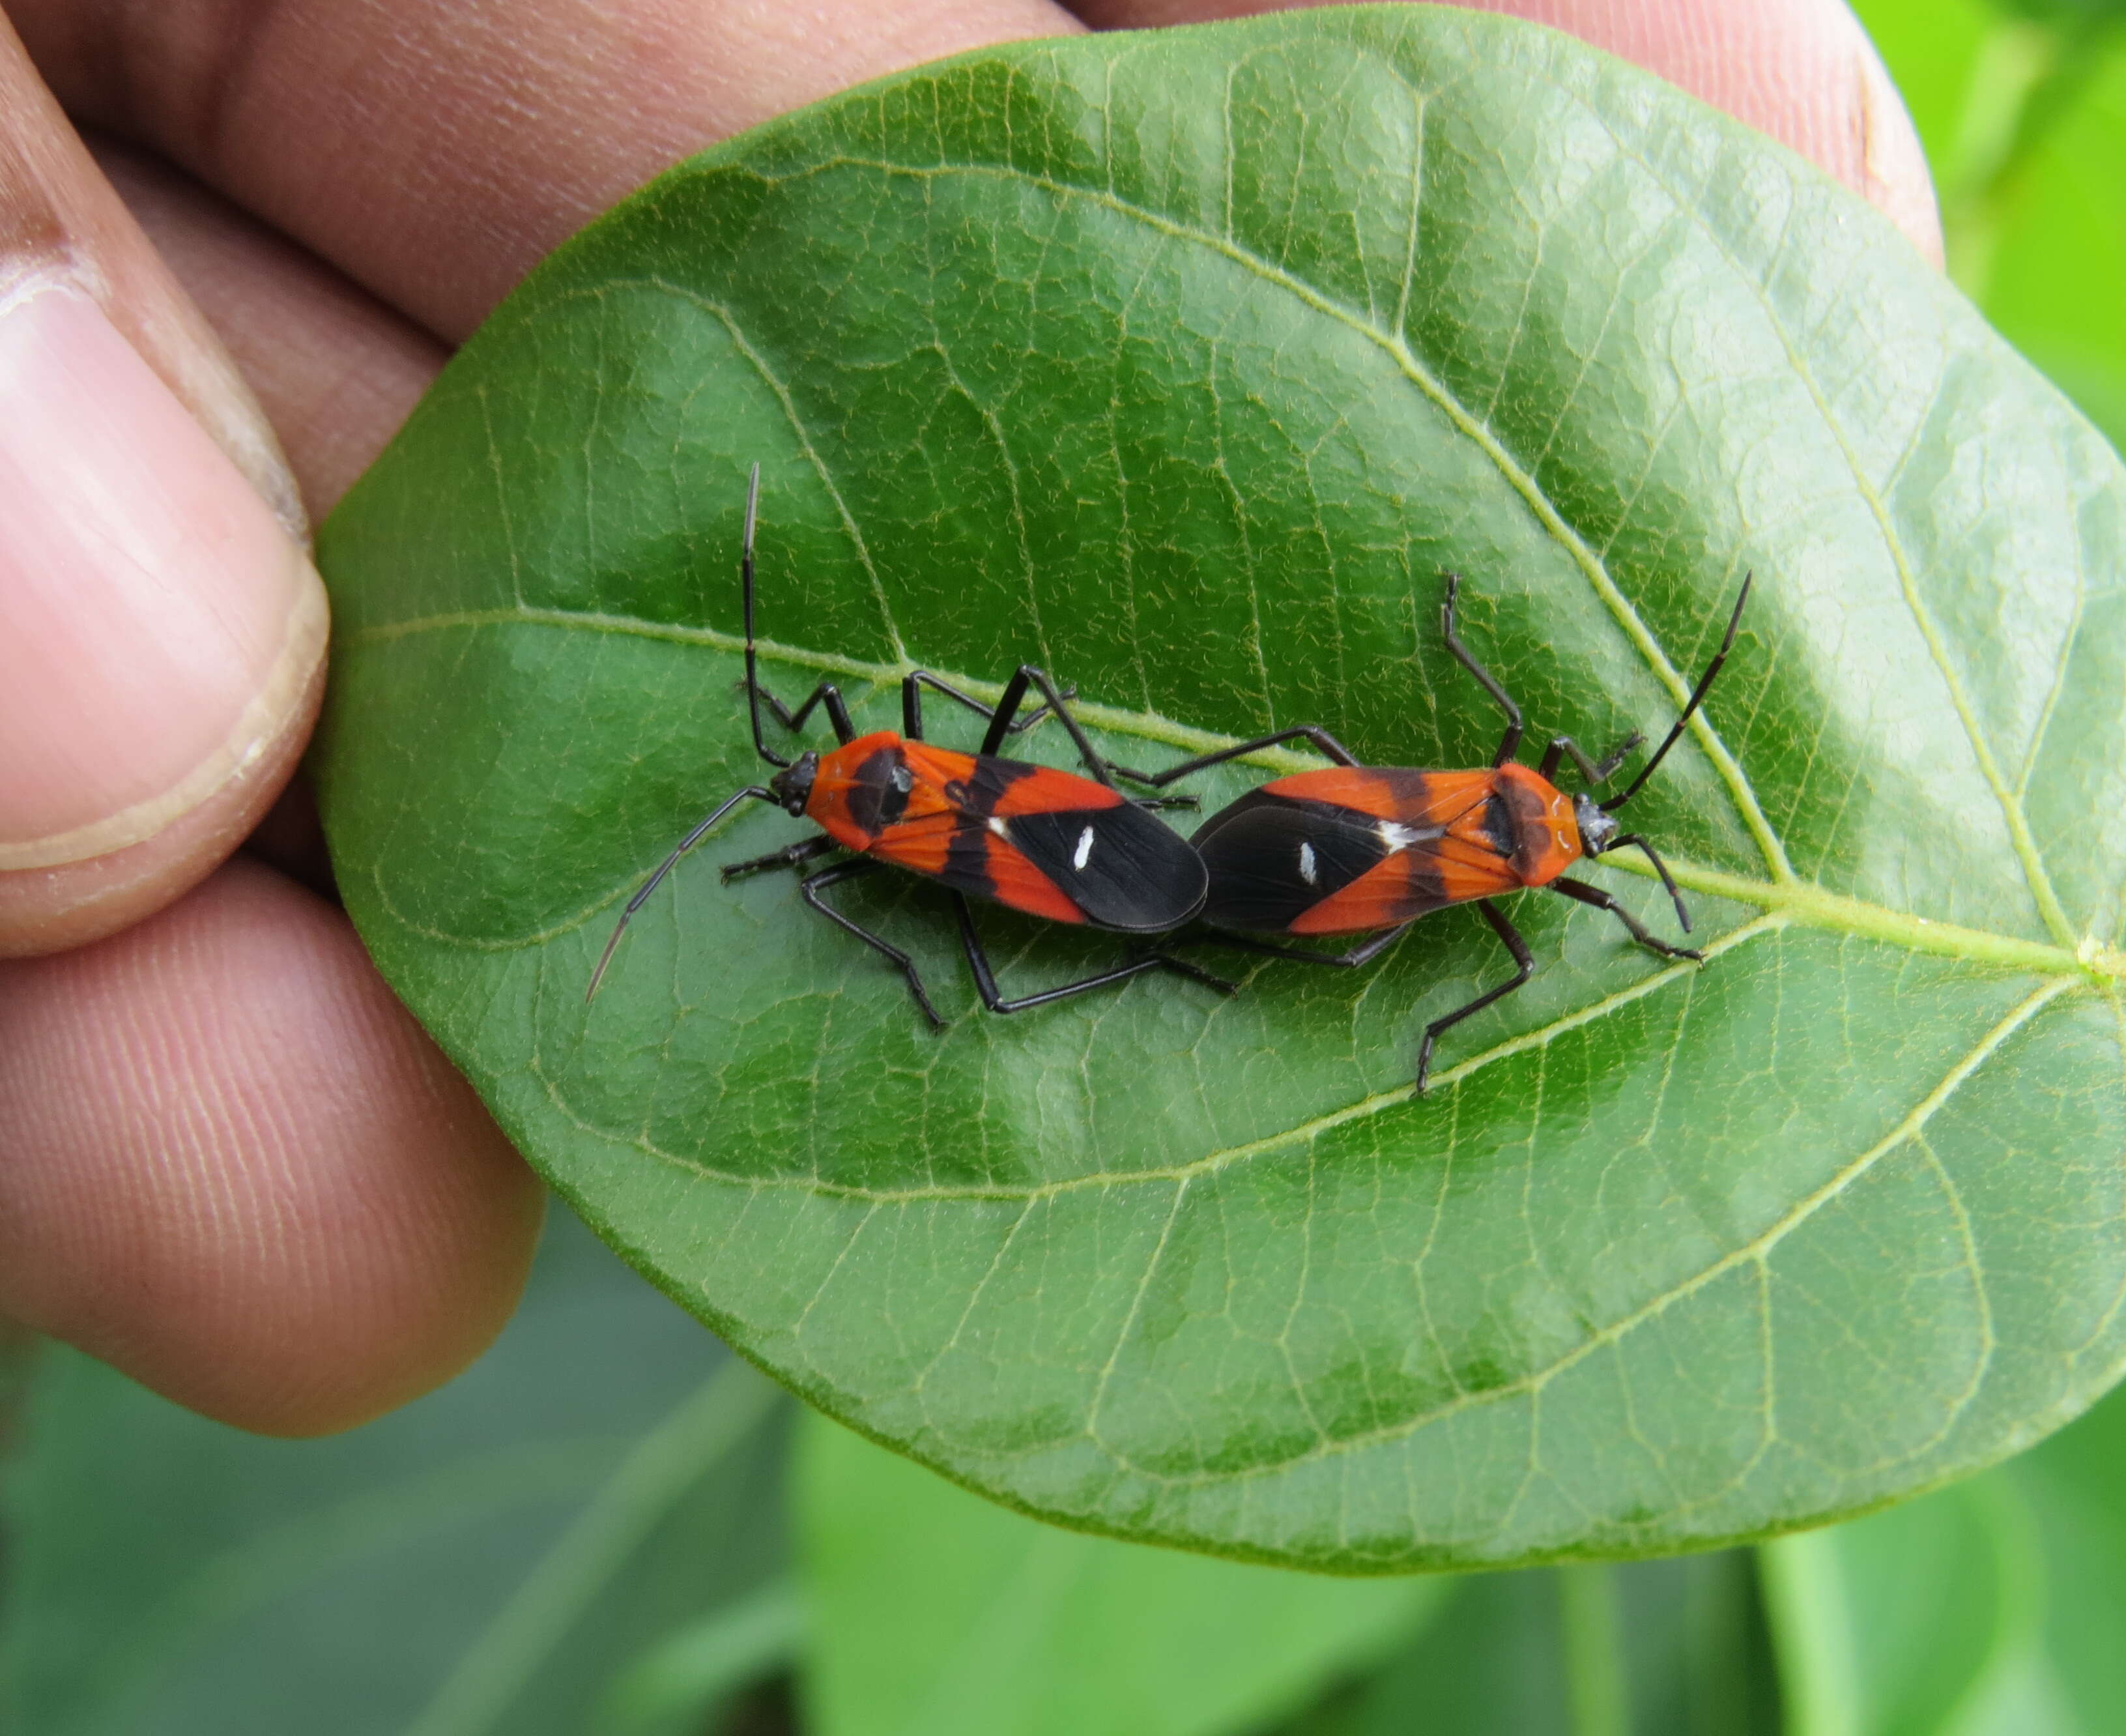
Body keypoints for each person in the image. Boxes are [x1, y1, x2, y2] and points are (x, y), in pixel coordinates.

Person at [0, 0, 1939, 1436]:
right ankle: (1134, 923)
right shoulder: (886, 810)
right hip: (1143, 852)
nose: (1580, 823)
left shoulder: (1481, 823)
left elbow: (953, 839)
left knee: (1168, 870)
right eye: (1583, 832)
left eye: (1583, 830)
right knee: (1118, 889)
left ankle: (1138, 916)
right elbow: (905, 850)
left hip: (1184, 845)